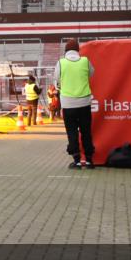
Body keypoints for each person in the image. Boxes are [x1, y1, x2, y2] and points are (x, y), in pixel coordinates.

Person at [53, 39, 95, 169]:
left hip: (68, 103)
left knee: (72, 132)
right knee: (86, 131)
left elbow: (57, 80)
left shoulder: (61, 63)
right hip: (84, 102)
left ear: (66, 51)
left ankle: (76, 160)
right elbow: (91, 73)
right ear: (78, 50)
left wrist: (62, 87)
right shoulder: (85, 61)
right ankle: (88, 160)